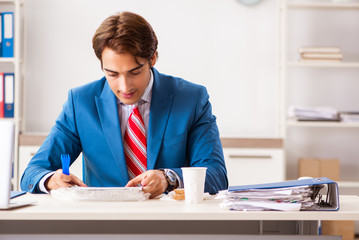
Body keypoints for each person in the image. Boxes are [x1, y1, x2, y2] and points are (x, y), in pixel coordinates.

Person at [21, 11, 228, 198]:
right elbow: (32, 173)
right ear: (101, 66)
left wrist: (169, 178)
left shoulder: (191, 99)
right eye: (112, 74)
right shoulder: (80, 103)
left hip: (170, 221)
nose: (124, 86)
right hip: (104, 223)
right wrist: (49, 180)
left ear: (153, 58)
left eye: (134, 72)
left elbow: (216, 174)